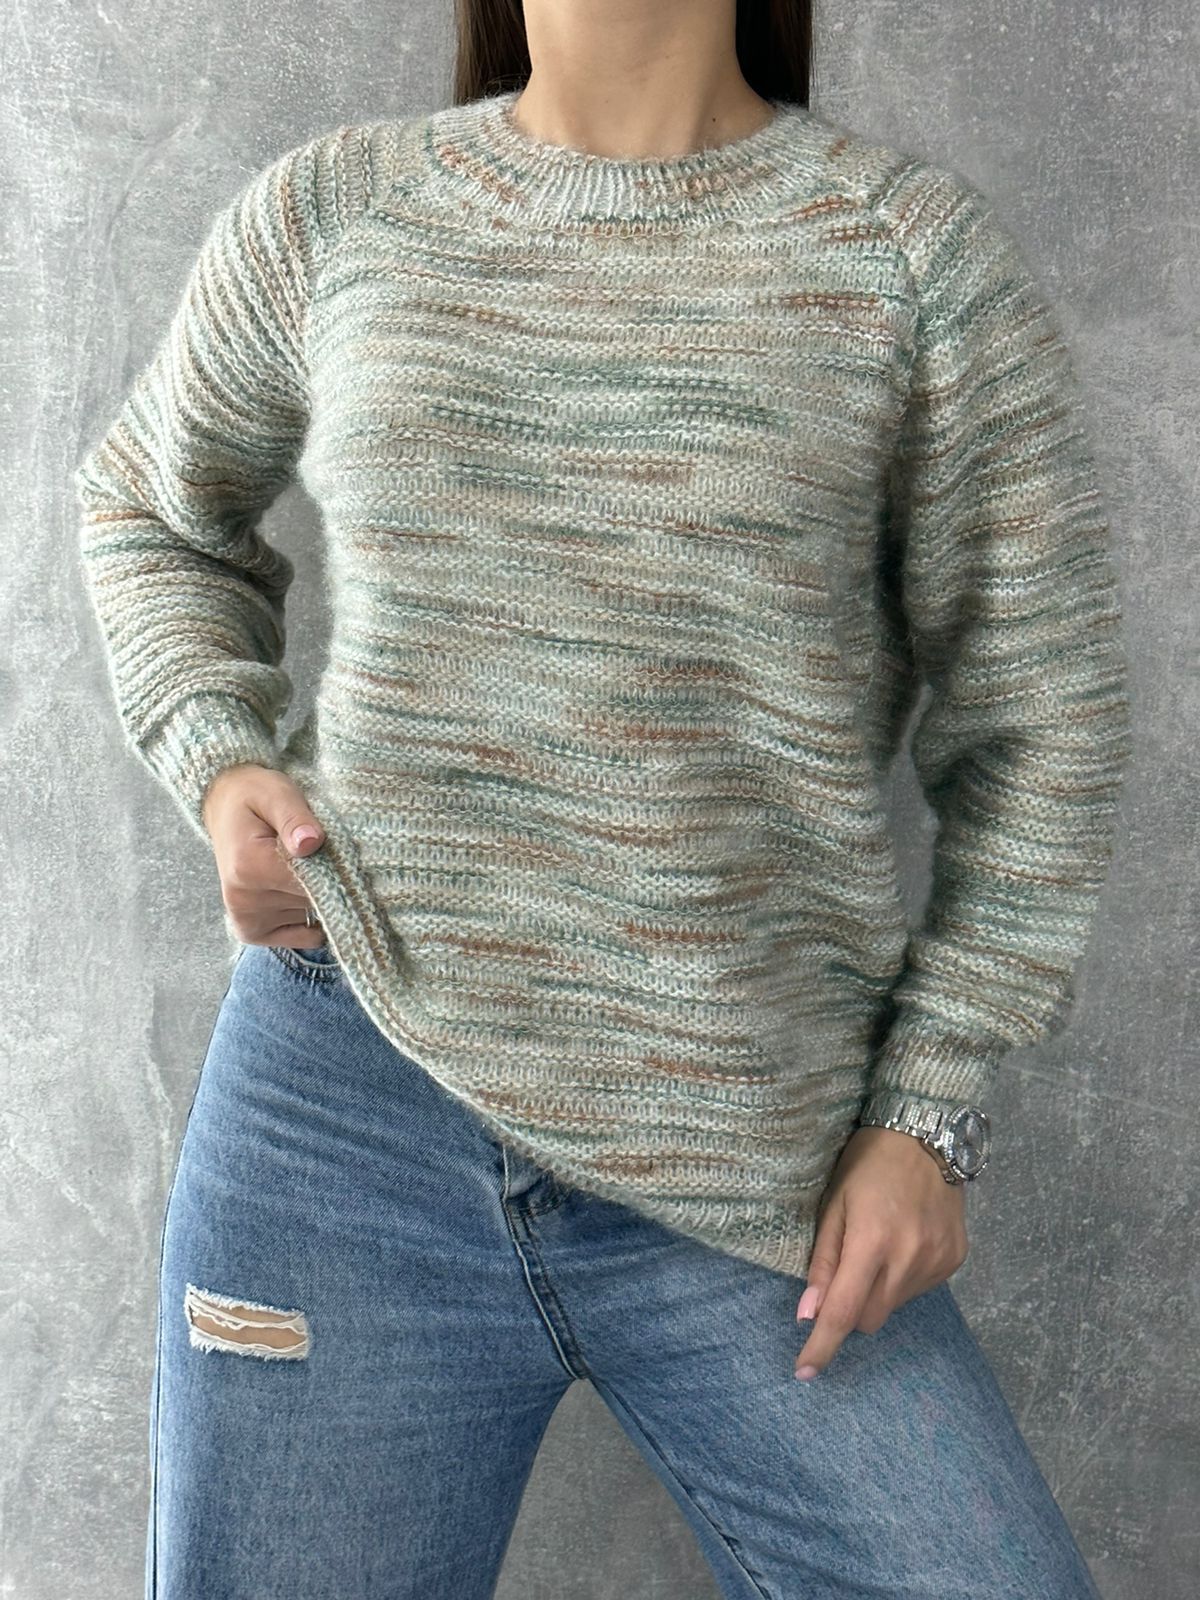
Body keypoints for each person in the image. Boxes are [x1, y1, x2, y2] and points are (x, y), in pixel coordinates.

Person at [73, 2, 1130, 1595]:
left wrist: (929, 1108)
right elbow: (150, 509)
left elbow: (1042, 716)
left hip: (758, 1154)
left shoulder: (908, 259)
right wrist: (224, 763)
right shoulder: (335, 211)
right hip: (342, 1123)